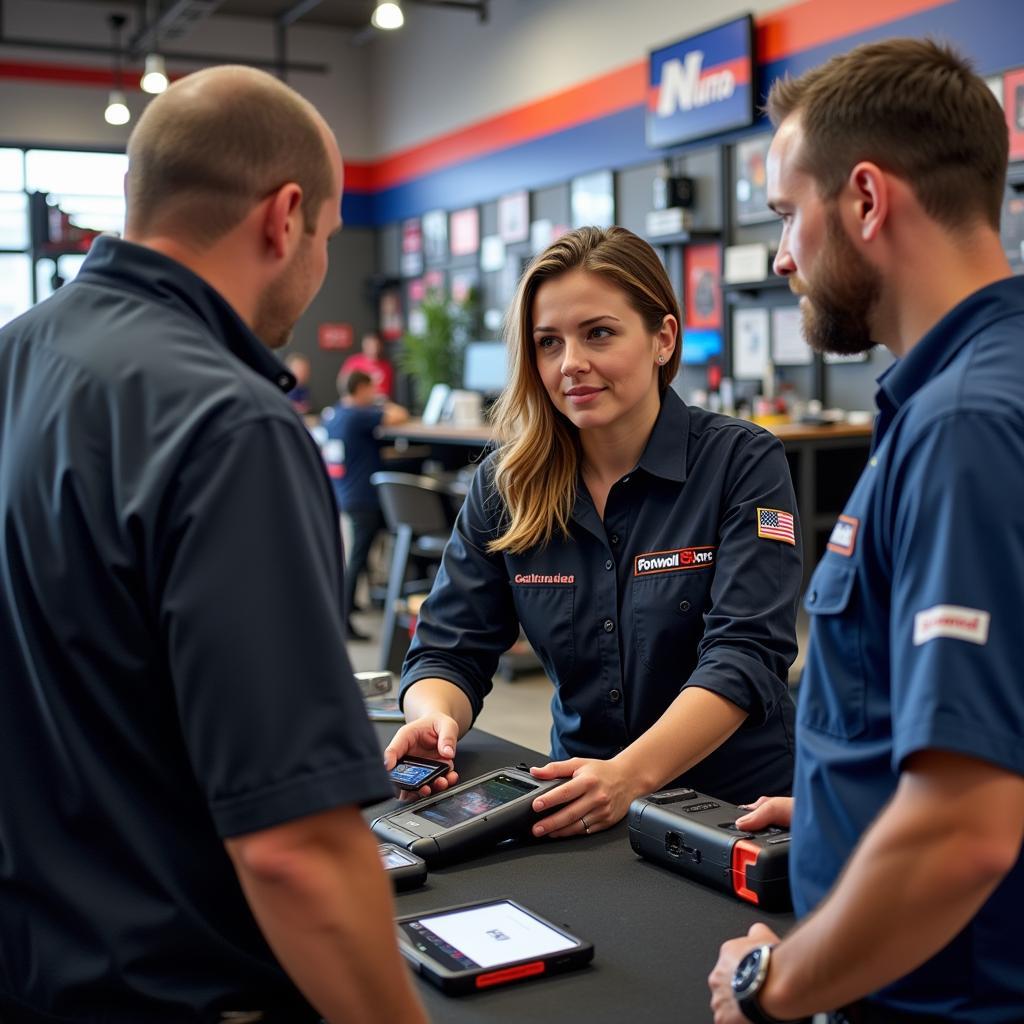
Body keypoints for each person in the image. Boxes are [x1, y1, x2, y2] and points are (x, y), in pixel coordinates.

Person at [0, 66, 428, 1024]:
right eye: (323, 237)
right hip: (177, 986)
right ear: (285, 219)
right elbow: (294, 846)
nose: (317, 269)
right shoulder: (227, 420)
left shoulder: (17, 355)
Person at [708, 39, 1024, 1024]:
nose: (781, 255)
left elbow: (963, 832)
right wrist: (848, 804)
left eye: (784, 215)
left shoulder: (964, 425)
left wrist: (775, 986)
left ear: (865, 200)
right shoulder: (977, 392)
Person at [385, 226, 803, 836]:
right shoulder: (507, 484)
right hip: (580, 806)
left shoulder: (742, 463)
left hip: (734, 813)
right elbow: (449, 648)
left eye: (598, 333)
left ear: (663, 339)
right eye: (548, 343)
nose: (570, 364)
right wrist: (434, 715)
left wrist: (629, 776)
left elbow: (745, 657)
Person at [323, 368, 409, 639]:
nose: (373, 393)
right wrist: (383, 401)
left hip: (344, 494)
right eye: (370, 389)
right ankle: (342, 618)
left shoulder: (333, 416)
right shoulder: (359, 415)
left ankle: (358, 603)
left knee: (360, 556)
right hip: (364, 498)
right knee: (358, 559)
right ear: (360, 389)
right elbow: (399, 415)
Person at [341, 330, 395, 398]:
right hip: (359, 401)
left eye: (375, 344)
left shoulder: (386, 366)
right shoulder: (353, 362)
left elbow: (388, 390)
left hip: (380, 402)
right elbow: (343, 383)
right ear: (364, 345)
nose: (373, 348)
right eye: (369, 344)